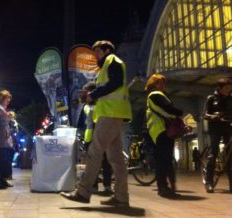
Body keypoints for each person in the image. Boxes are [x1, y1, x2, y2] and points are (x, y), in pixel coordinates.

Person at [61, 40, 132, 207]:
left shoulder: (112, 61)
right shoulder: (108, 65)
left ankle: (83, 192)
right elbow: (110, 88)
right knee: (116, 158)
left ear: (107, 50)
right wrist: (92, 96)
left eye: (98, 52)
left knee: (95, 151)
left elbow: (114, 83)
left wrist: (94, 94)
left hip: (110, 113)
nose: (96, 56)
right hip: (113, 113)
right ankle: (121, 197)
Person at [145, 74, 183, 198]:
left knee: (165, 160)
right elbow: (170, 109)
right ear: (152, 85)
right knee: (163, 160)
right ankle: (163, 188)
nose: (162, 85)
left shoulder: (155, 96)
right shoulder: (156, 95)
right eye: (158, 83)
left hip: (161, 130)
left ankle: (165, 187)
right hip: (162, 130)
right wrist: (179, 112)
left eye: (163, 83)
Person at [82, 82, 113, 195]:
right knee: (98, 162)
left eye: (88, 93)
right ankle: (96, 185)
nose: (86, 95)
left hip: (97, 136)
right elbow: (91, 111)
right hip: (91, 136)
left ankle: (107, 185)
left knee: (104, 161)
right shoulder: (88, 106)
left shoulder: (96, 105)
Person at [204, 78, 232, 193]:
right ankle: (209, 182)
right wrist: (213, 116)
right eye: (226, 88)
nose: (229, 89)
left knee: (230, 155)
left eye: (230, 87)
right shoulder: (211, 98)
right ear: (219, 88)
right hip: (215, 128)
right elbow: (205, 114)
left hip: (228, 127)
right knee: (213, 152)